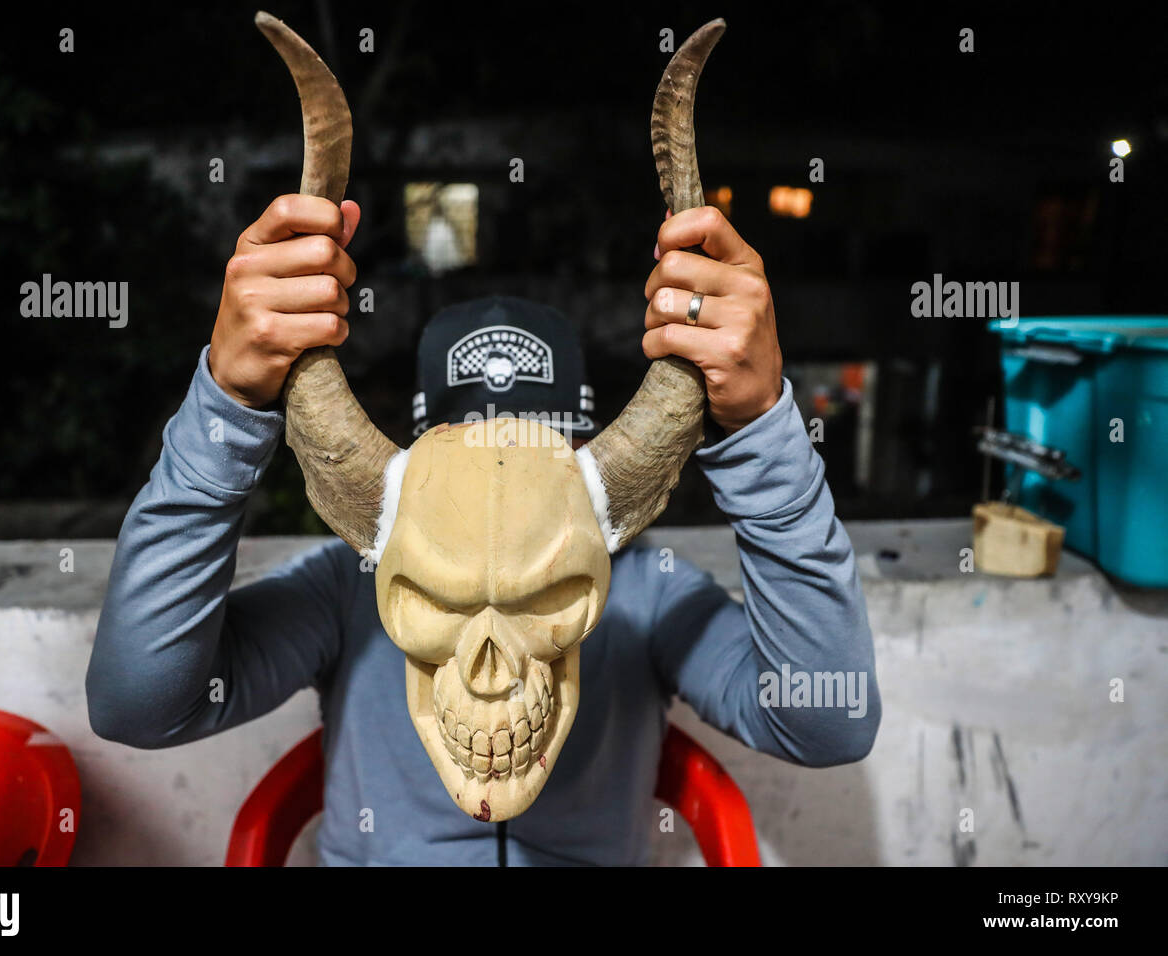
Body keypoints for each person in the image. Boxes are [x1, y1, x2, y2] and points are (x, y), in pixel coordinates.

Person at [86, 194, 881, 865]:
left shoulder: (647, 590)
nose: (493, 668)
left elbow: (827, 721)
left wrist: (762, 422)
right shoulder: (347, 582)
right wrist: (225, 402)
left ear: (582, 466)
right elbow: (137, 705)